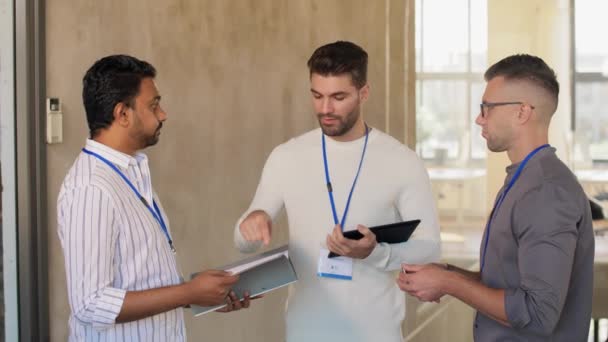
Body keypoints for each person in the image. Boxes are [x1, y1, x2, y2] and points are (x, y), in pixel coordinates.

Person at [234, 41, 441, 342]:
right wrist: (252, 221)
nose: (325, 109)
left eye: (338, 97)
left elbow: (430, 248)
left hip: (377, 333)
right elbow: (243, 242)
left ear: (364, 93)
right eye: (317, 96)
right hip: (304, 332)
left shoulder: (402, 161)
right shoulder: (287, 156)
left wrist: (375, 253)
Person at [398, 54, 595, 341]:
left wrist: (449, 282)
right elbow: (510, 281)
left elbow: (537, 313)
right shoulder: (524, 178)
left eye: (487, 107)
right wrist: (447, 275)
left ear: (522, 112)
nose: (479, 118)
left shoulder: (544, 191)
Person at [58, 54, 252, 341]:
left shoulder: (130, 172)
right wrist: (188, 291)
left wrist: (200, 295)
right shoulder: (92, 188)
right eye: (154, 105)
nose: (163, 114)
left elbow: (137, 280)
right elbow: (91, 304)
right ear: (122, 114)